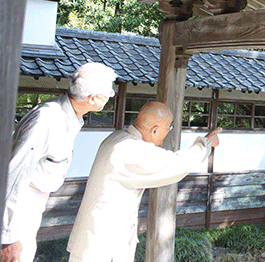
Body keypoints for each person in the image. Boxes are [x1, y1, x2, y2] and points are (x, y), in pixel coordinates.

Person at [67, 101, 220, 262]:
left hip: (98, 240)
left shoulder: (118, 138)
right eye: (169, 128)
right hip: (103, 246)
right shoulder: (132, 150)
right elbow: (177, 164)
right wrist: (206, 143)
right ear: (155, 130)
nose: (168, 133)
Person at [1, 62, 118, 262]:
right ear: (93, 98)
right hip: (19, 206)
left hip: (33, 203)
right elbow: (14, 175)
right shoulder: (47, 119)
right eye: (109, 92)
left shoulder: (70, 117)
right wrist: (8, 236)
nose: (111, 95)